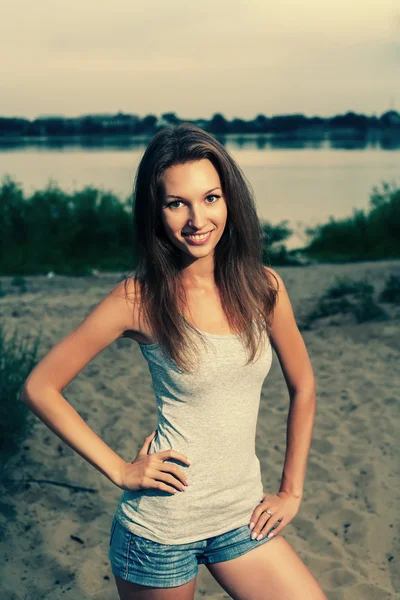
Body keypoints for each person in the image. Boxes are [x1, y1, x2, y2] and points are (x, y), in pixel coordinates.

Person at [22, 123, 328, 600]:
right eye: (175, 203)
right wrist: (121, 470)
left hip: (241, 517)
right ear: (156, 212)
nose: (196, 219)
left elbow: (304, 386)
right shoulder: (137, 299)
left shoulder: (263, 288)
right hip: (159, 533)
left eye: (210, 198)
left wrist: (291, 491)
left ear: (230, 201)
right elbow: (40, 386)